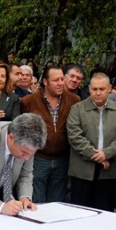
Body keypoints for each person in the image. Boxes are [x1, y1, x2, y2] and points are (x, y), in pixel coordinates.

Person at [66, 72, 116, 211]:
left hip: (109, 171)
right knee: (79, 212)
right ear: (89, 89)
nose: (98, 93)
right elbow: (74, 136)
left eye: (102, 89)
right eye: (94, 89)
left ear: (109, 88)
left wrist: (107, 154)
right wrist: (97, 156)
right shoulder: (77, 109)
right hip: (82, 171)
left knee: (104, 212)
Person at [20, 65, 81, 203]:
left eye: (62, 79)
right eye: (56, 80)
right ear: (46, 82)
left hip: (62, 159)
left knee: (57, 203)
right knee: (36, 201)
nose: (60, 83)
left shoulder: (74, 100)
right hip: (37, 159)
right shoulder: (28, 101)